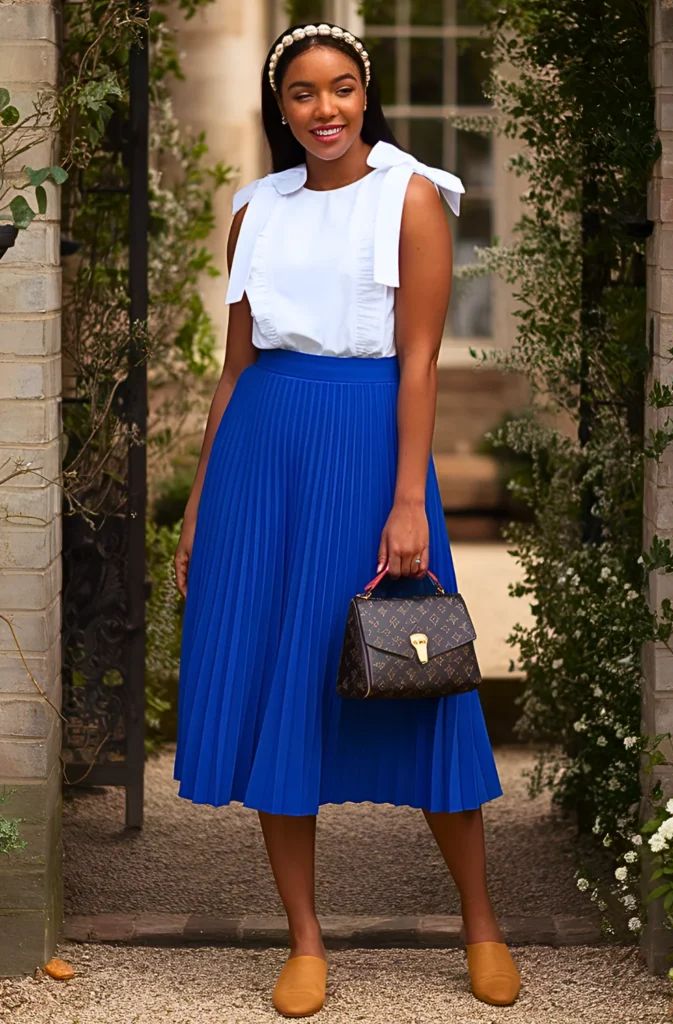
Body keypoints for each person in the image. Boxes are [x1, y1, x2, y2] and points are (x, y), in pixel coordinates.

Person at [173, 21, 520, 1019]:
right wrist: (200, 504)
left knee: (419, 686)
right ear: (278, 109)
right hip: (260, 458)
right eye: (299, 95)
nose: (320, 110)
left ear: (364, 95)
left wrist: (409, 497)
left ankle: (481, 923)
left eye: (338, 90)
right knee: (286, 681)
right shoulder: (255, 211)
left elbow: (417, 362)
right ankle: (305, 939)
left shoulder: (410, 198)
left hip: (369, 451)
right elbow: (234, 366)